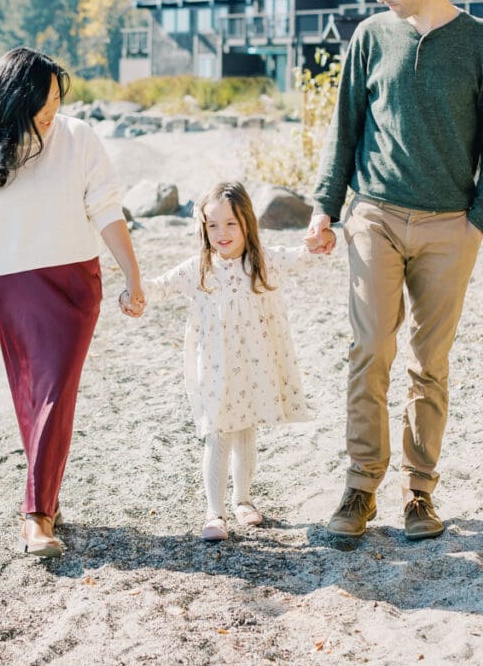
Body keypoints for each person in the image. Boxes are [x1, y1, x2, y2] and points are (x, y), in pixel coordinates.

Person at [306, 0, 483, 541]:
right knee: (370, 348)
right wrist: (325, 206)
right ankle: (360, 486)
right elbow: (344, 128)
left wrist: (478, 223)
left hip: (451, 226)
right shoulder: (371, 37)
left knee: (430, 360)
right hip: (374, 215)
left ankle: (419, 493)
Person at [0, 47, 145, 558]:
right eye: (43, 102)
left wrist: (132, 274)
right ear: (15, 100)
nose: (53, 110)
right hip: (10, 290)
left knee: (56, 393)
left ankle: (35, 515)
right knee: (31, 399)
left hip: (75, 284)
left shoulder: (78, 138)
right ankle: (47, 497)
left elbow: (105, 207)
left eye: (58, 98)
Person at [123, 181, 333, 541]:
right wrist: (134, 294)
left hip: (253, 367)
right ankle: (214, 512)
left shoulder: (261, 262)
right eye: (213, 225)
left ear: (247, 223)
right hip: (215, 370)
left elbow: (300, 256)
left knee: (246, 430)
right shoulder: (199, 269)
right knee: (218, 434)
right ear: (203, 228)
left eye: (231, 224)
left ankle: (243, 500)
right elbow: (159, 286)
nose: (222, 233)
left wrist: (318, 242)